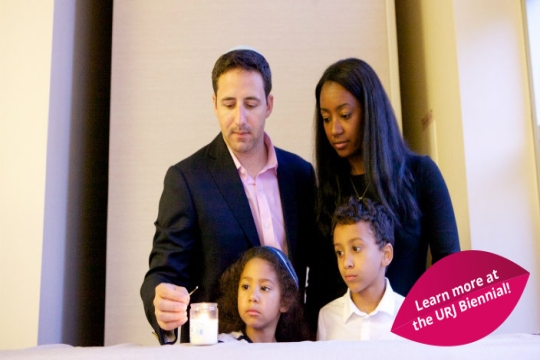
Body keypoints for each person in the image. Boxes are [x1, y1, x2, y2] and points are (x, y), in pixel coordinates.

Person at [140, 48, 318, 344]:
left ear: (269, 104)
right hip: (219, 346)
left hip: (293, 345)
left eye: (251, 104)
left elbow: (320, 268)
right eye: (229, 104)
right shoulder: (187, 179)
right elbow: (162, 274)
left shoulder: (300, 175)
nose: (240, 119)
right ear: (214, 105)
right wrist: (161, 305)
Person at [313, 58, 460, 305]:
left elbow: (449, 265)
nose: (334, 129)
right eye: (326, 118)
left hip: (411, 331)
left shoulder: (420, 174)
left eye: (345, 115)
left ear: (370, 112)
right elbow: (320, 282)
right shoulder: (328, 188)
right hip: (344, 335)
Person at [317, 197, 404, 341]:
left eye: (356, 248)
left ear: (386, 254)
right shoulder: (328, 317)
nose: (346, 263)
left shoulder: (413, 317)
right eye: (340, 252)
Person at [218, 246, 308, 343]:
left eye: (264, 288)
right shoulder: (223, 347)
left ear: (285, 301)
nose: (252, 297)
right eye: (245, 287)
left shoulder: (292, 352)